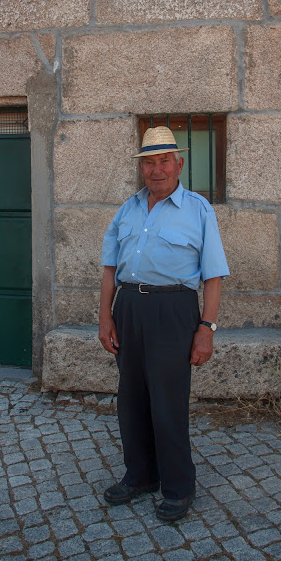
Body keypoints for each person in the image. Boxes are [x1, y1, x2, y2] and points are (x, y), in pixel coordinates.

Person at [98, 126, 229, 521]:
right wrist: (105, 318)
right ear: (143, 168)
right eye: (149, 163)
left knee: (168, 403)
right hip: (129, 310)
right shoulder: (128, 208)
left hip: (174, 311)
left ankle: (177, 487)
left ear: (179, 164)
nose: (157, 170)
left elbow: (214, 276)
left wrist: (206, 329)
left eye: (164, 161)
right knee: (131, 399)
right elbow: (109, 269)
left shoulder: (199, 210)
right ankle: (140, 475)